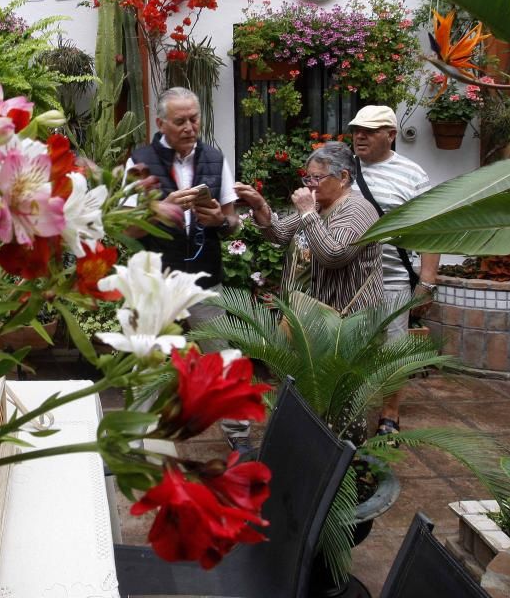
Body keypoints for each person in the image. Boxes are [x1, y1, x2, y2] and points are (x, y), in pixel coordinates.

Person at [126, 87, 246, 448]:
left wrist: (218, 222)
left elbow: (232, 222)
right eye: (180, 121)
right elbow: (125, 229)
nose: (190, 127)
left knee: (221, 354)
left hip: (204, 277)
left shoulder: (214, 157)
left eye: (194, 118)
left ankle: (239, 435)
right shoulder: (140, 160)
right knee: (146, 357)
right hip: (156, 278)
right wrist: (158, 210)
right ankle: (133, 440)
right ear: (161, 122)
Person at [347, 105, 440, 437]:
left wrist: (426, 282)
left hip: (392, 278)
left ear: (391, 135)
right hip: (348, 281)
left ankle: (389, 413)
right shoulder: (342, 168)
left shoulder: (412, 174)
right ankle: (350, 410)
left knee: (393, 350)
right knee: (348, 347)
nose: (360, 135)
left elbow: (430, 230)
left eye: (370, 131)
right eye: (357, 129)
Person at [235, 142, 382, 315]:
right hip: (305, 318)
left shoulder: (357, 209)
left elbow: (334, 255)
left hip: (344, 325)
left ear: (343, 177)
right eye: (308, 178)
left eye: (317, 178)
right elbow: (279, 234)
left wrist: (307, 212)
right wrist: (260, 206)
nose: (310, 184)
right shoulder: (318, 205)